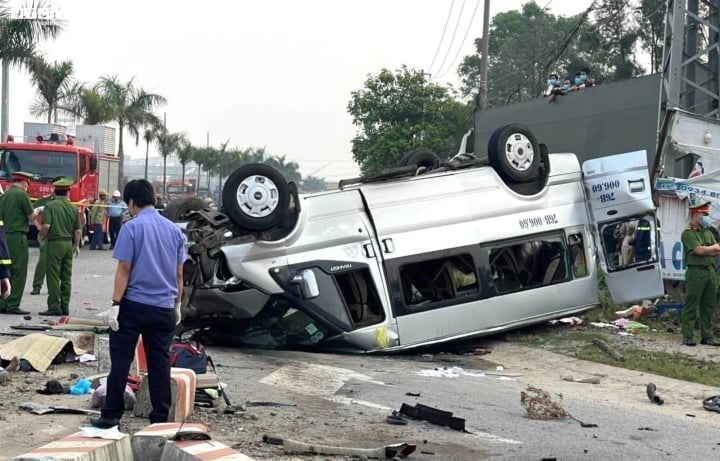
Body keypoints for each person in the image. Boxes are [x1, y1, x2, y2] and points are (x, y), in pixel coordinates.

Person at [91, 179, 186, 429]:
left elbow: (124, 268)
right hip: (164, 308)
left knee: (121, 360)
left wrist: (115, 303)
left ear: (132, 202)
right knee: (159, 364)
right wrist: (177, 304)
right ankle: (160, 418)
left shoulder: (131, 228)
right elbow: (179, 274)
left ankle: (111, 415)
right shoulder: (175, 231)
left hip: (133, 305)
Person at [38, 178, 81, 316]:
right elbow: (78, 230)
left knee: (53, 276)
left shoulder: (50, 206)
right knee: (66, 276)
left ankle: (54, 306)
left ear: (55, 192)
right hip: (68, 244)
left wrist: (41, 236)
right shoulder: (74, 209)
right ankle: (65, 306)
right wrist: (76, 245)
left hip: (55, 243)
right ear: (68, 193)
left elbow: (46, 226)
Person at [681, 199, 720, 346]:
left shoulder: (707, 232)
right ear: (695, 214)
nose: (705, 217)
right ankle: (688, 336)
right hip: (695, 272)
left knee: (709, 305)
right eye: (703, 214)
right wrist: (711, 249)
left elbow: (715, 251)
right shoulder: (688, 233)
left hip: (710, 271)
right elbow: (698, 250)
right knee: (692, 304)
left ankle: (707, 336)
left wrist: (710, 250)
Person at [0, 172, 36, 315]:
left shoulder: (4, 196)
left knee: (4, 270)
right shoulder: (22, 195)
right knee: (19, 271)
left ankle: (2, 302)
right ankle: (13, 304)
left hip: (3, 236)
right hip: (17, 236)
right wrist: (38, 210)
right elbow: (31, 216)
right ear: (24, 183)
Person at [30, 192, 55, 295]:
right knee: (42, 263)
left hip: (57, 237)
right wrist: (39, 228)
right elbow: (32, 213)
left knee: (55, 265)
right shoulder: (45, 201)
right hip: (47, 236)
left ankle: (53, 288)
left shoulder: (66, 204)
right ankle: (37, 286)